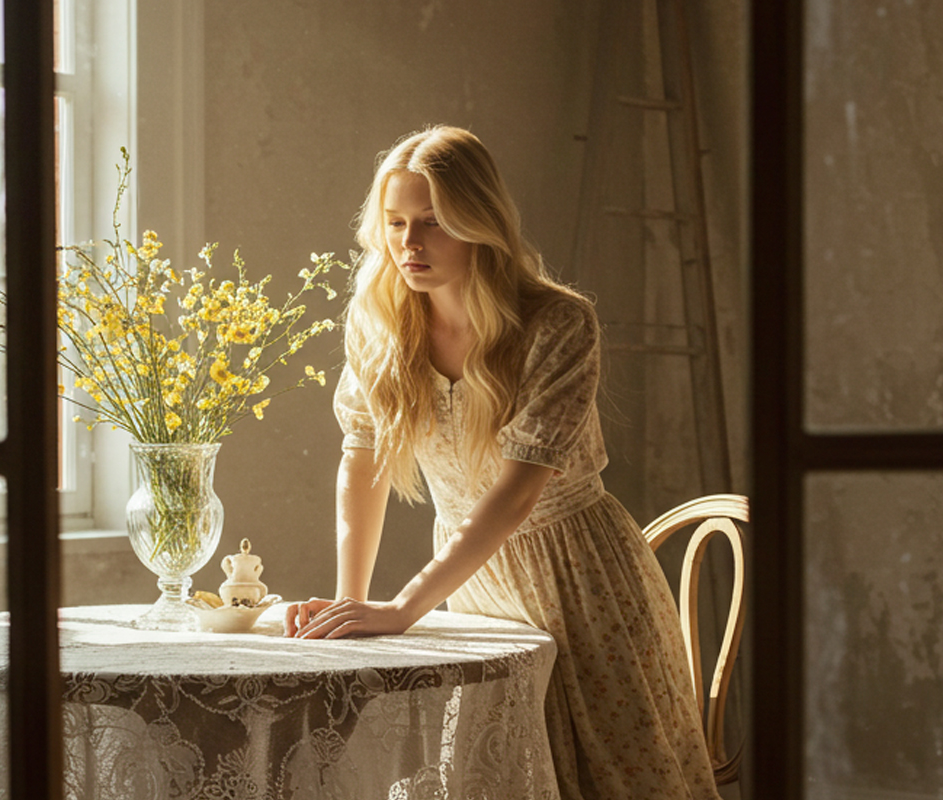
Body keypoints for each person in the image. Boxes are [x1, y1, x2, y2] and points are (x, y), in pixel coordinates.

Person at [283, 125, 721, 799]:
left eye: (433, 223)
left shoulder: (558, 324)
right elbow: (361, 460)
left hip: (582, 579)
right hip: (476, 584)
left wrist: (403, 608)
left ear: (478, 222)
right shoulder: (380, 324)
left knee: (619, 779)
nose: (410, 244)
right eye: (396, 223)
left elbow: (518, 494)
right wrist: (352, 601)